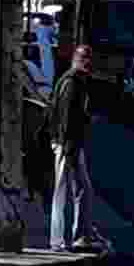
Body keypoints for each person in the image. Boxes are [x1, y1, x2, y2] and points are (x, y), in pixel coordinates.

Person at [49, 44, 102, 254]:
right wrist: (66, 145)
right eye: (83, 57)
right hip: (67, 144)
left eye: (89, 58)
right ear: (76, 59)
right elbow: (65, 116)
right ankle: (61, 240)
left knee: (80, 190)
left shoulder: (77, 81)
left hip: (70, 143)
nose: (88, 62)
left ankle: (79, 236)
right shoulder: (71, 83)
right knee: (64, 192)